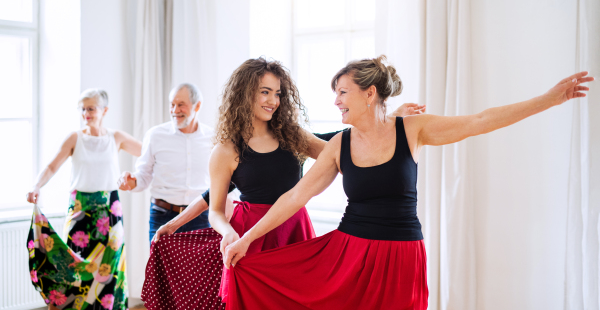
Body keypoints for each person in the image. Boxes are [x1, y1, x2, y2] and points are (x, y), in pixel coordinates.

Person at [222, 56, 594, 310]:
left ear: (370, 94)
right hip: (349, 256)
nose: (335, 101)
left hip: (402, 254)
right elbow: (294, 197)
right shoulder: (339, 145)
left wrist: (548, 99)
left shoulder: (413, 130)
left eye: (342, 92)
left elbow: (480, 120)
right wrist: (247, 238)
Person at [141, 58, 425, 310]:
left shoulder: (293, 136)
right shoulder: (226, 150)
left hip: (292, 228)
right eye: (265, 92)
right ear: (244, 94)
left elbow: (344, 146)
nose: (273, 100)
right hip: (250, 235)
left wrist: (387, 120)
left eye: (277, 93)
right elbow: (214, 205)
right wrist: (218, 230)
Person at [26, 89, 141, 310]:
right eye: (83, 108)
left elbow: (147, 153)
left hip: (110, 210)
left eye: (91, 108)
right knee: (74, 266)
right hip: (79, 209)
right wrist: (37, 185)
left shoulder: (115, 137)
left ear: (104, 110)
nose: (85, 113)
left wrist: (134, 177)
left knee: (110, 266)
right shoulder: (74, 138)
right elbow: (52, 166)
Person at [117, 83, 231, 242]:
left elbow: (222, 178)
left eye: (181, 105)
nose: (175, 110)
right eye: (172, 105)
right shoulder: (155, 135)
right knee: (161, 267)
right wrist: (131, 182)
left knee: (198, 267)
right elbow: (142, 176)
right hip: (163, 216)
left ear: (197, 106)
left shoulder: (213, 138)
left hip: (201, 216)